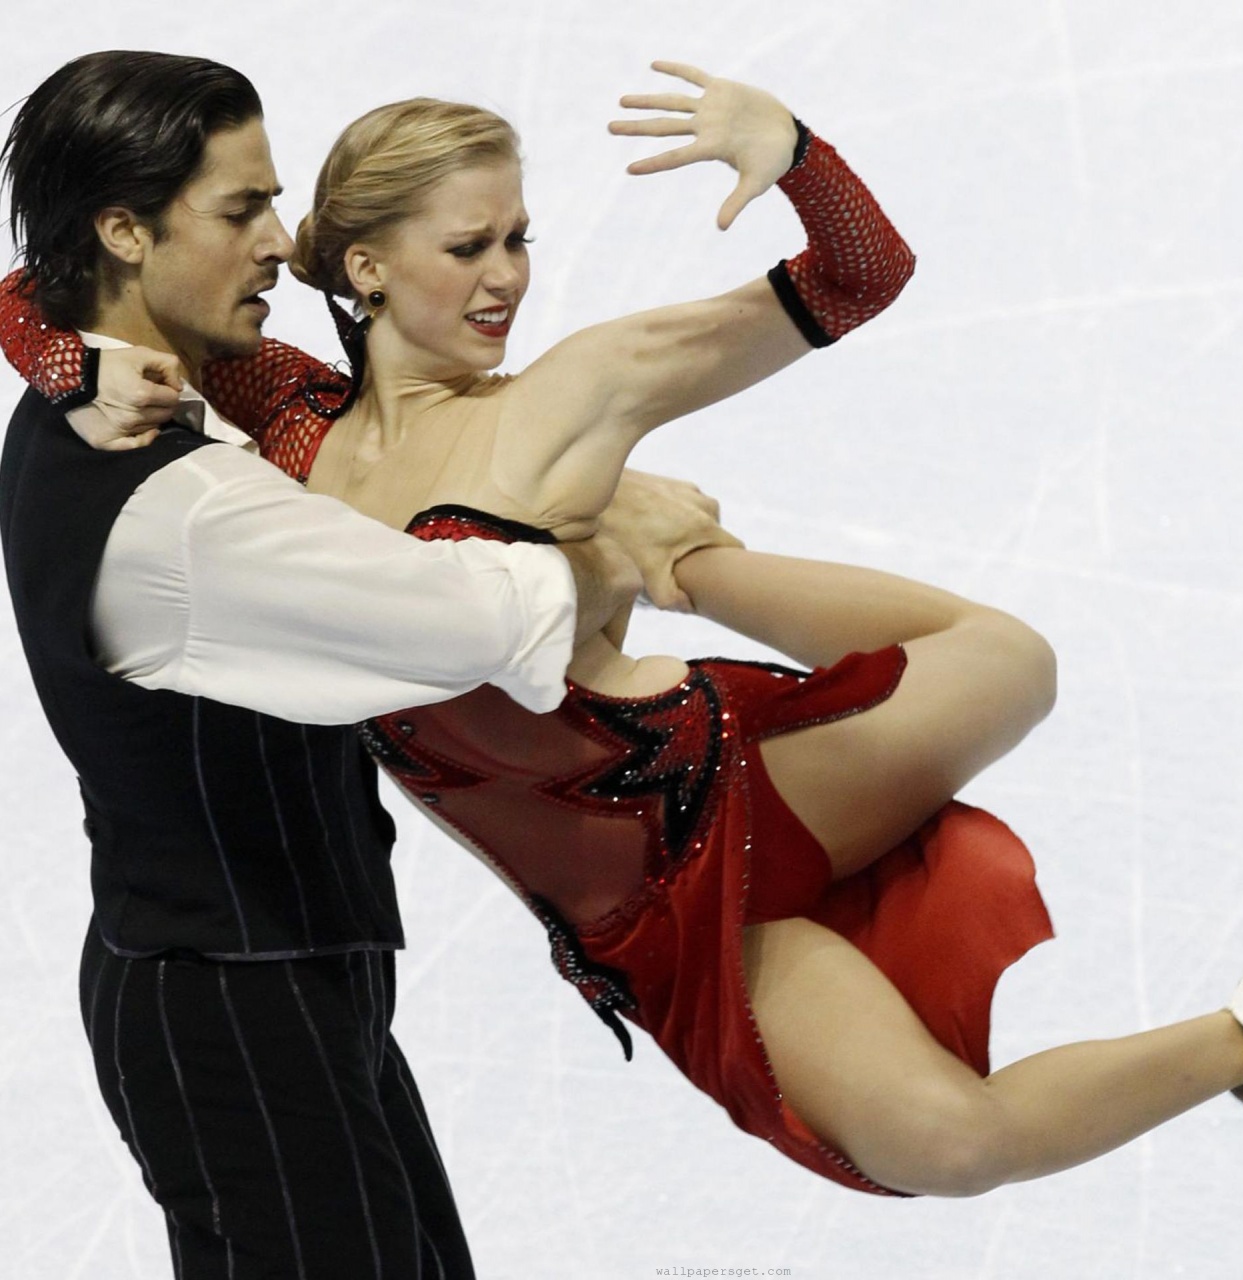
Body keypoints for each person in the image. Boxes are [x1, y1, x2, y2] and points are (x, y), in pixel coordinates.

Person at [9, 60, 1243, 1203]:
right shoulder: (288, 413)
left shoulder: (575, 387)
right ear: (363, 268)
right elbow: (46, 284)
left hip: (706, 791)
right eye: (468, 246)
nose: (507, 276)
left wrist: (796, 150)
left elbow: (858, 275)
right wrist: (70, 363)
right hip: (631, 915)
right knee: (948, 1146)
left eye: (520, 238)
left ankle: (696, 562)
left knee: (1013, 663)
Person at [0, 51, 730, 1279]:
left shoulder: (147, 397)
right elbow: (470, 621)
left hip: (276, 974)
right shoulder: (182, 506)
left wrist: (59, 349)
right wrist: (612, 538)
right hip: (234, 999)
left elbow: (30, 283)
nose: (282, 243)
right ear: (123, 230)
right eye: (240, 211)